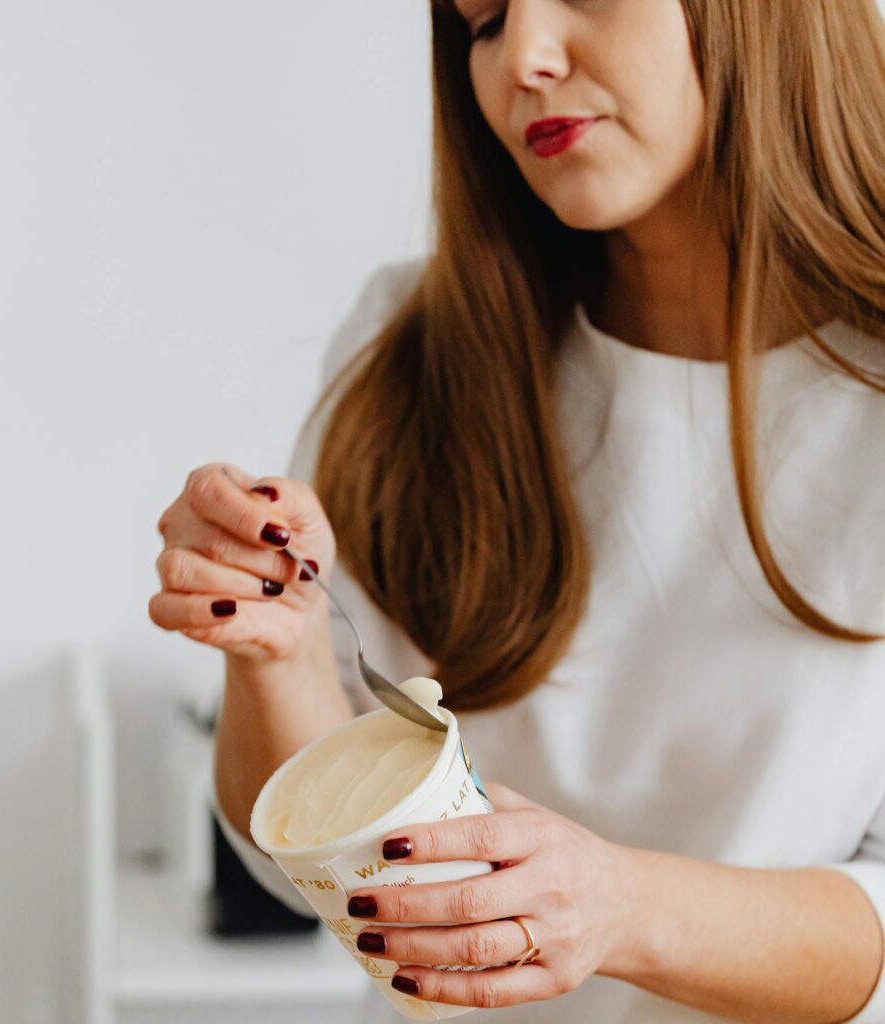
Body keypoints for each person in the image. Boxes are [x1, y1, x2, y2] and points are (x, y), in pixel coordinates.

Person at [149, 0, 885, 1020]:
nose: (519, 62)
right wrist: (278, 656)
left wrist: (621, 908)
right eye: (481, 20)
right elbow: (324, 878)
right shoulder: (408, 360)